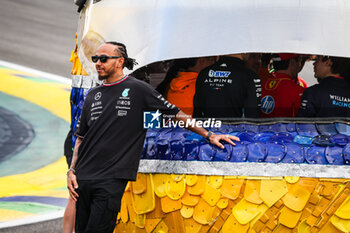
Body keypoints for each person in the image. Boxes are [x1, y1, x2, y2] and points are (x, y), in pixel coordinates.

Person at [67, 41, 239, 233]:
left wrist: (209, 135)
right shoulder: (93, 95)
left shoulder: (138, 89)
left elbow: (176, 114)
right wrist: (72, 171)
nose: (98, 63)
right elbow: (81, 138)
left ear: (120, 61)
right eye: (95, 59)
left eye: (104, 59)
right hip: (83, 178)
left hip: (110, 180)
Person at [192, 53, 261, 118]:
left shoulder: (203, 73)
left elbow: (197, 113)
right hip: (235, 129)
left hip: (207, 128)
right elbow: (253, 116)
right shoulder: (250, 76)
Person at [260, 53, 305, 117]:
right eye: (299, 61)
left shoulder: (262, 85)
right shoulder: (298, 90)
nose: (299, 66)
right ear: (292, 62)